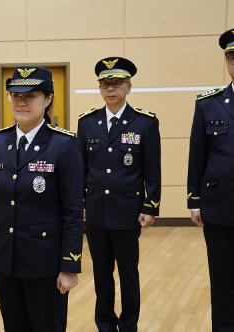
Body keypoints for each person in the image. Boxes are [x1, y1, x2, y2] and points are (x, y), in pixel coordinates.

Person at [0, 66, 84, 332]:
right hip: (6, 261)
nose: (21, 101)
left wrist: (70, 265)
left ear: (48, 99)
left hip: (44, 263)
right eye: (15, 95)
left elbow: (73, 211)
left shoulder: (64, 145)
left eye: (31, 95)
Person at [77, 57, 161, 332]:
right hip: (97, 211)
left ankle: (128, 325)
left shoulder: (144, 122)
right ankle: (104, 323)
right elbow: (81, 169)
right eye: (105, 84)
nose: (110, 89)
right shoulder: (87, 123)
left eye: (116, 84)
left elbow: (152, 169)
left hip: (127, 212)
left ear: (128, 87)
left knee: (128, 274)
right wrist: (81, 205)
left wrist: (150, 206)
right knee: (101, 274)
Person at [187, 28, 234, 332]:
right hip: (220, 206)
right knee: (222, 278)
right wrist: (195, 201)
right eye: (231, 57)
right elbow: (197, 155)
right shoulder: (209, 104)